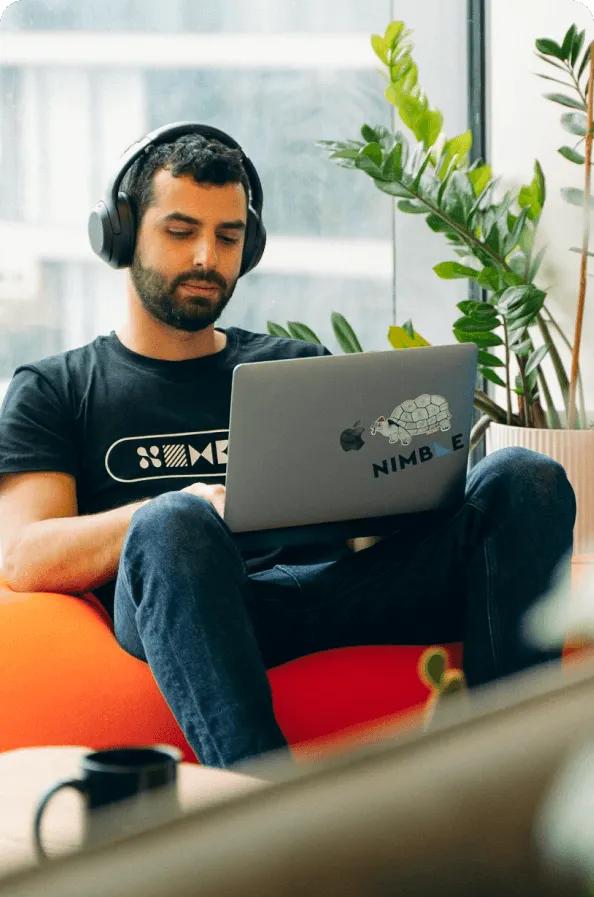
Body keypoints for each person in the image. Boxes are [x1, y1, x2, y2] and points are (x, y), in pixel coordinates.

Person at [0, 127, 576, 773]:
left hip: (336, 590)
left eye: (227, 237)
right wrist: (175, 504)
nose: (205, 258)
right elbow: (23, 557)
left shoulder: (293, 365)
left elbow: (365, 522)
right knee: (172, 523)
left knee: (528, 476)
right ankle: (264, 808)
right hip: (196, 607)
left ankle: (520, 777)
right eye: (180, 230)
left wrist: (405, 483)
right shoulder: (57, 388)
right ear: (123, 232)